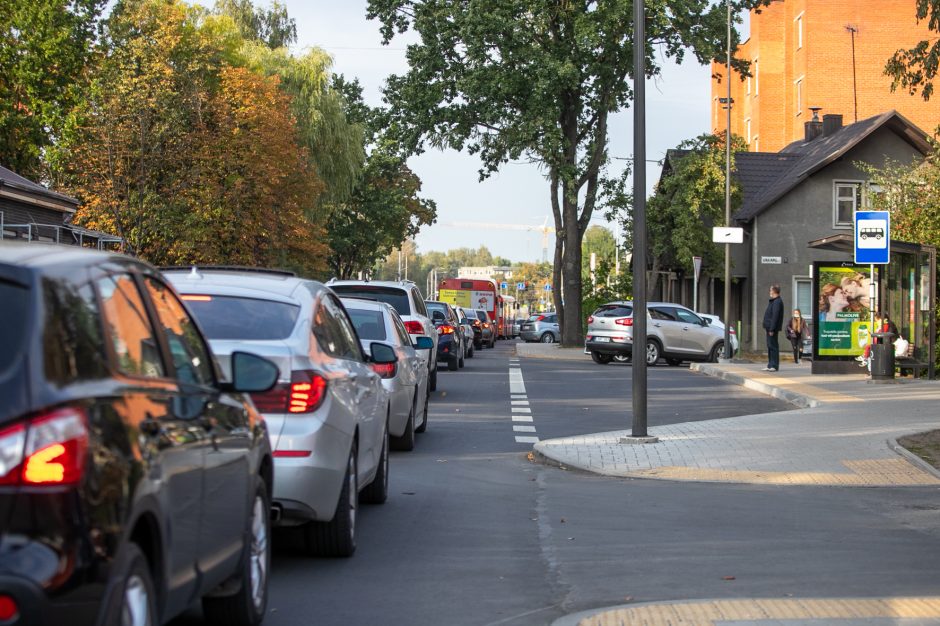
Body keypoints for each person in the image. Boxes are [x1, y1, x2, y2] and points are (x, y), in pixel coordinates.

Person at [762, 284, 784, 371]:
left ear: (774, 291)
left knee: (773, 346)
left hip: (772, 328)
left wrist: (772, 329)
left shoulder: (777, 302)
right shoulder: (773, 301)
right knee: (770, 346)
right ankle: (770, 365)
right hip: (769, 327)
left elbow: (775, 316)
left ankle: (774, 365)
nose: (770, 292)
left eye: (771, 290)